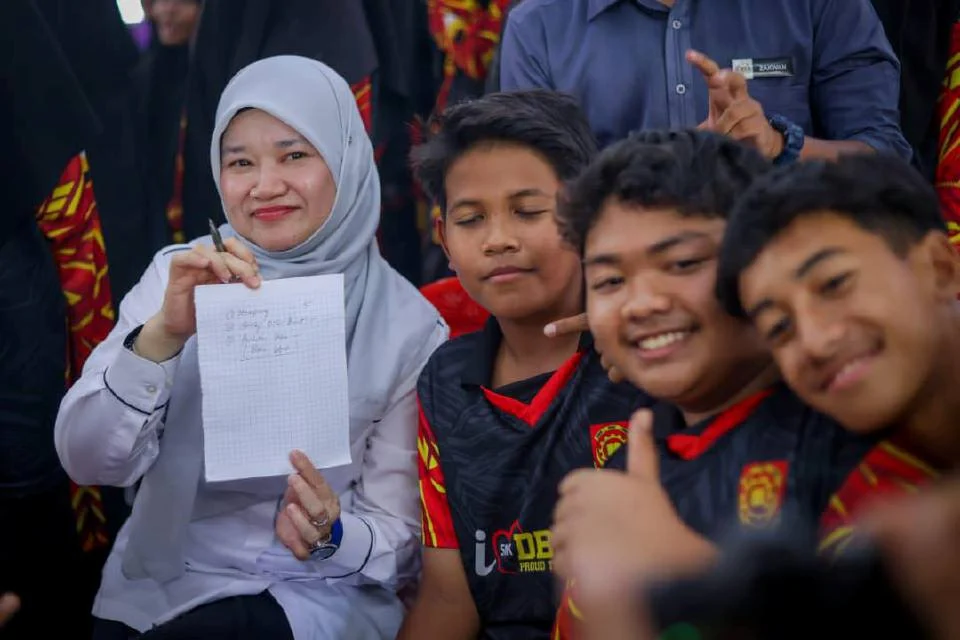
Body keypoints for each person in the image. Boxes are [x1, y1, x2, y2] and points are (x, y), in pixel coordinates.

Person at [55, 55, 446, 640]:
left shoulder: (407, 326)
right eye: (240, 162)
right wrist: (162, 337)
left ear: (346, 160)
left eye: (294, 155)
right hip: (164, 584)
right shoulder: (177, 278)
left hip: (316, 593)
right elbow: (87, 462)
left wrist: (334, 535)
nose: (265, 186)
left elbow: (404, 537)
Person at [546, 131, 872, 639]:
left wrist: (682, 564)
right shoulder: (622, 469)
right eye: (610, 281)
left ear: (764, 265)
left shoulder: (848, 434)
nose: (642, 303)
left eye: (683, 264)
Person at [397, 90, 650, 639]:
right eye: (471, 219)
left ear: (587, 216)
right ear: (443, 240)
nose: (498, 240)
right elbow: (448, 597)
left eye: (528, 212)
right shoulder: (444, 383)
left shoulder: (644, 353)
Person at [715, 153, 958, 532]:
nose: (814, 342)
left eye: (834, 284)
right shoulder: (859, 508)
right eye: (779, 327)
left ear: (941, 268)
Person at [499, 0, 910, 163]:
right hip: (626, 300)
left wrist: (779, 146)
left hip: (789, 287)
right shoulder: (537, 27)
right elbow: (536, 196)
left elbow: (886, 159)